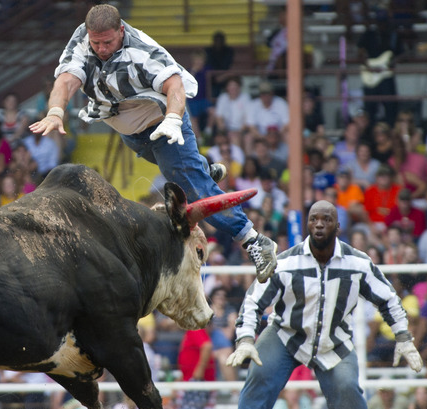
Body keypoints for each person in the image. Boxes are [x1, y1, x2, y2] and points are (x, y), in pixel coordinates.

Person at [28, 3, 277, 283]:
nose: (101, 48)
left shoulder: (143, 52)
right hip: (130, 130)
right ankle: (204, 169)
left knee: (193, 189)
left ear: (121, 31)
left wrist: (172, 118)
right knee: (188, 171)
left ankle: (254, 240)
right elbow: (65, 82)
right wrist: (55, 111)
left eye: (108, 42)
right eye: (96, 43)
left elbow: (175, 86)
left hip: (162, 122)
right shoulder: (83, 41)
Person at [226, 200, 423, 409]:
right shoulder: (286, 262)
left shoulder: (358, 263)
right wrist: (246, 339)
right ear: (308, 224)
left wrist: (403, 336)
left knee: (349, 389)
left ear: (338, 226)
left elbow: (388, 297)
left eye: (326, 220)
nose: (319, 225)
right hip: (285, 336)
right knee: (257, 378)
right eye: (314, 219)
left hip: (334, 341)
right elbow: (253, 300)